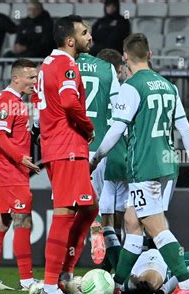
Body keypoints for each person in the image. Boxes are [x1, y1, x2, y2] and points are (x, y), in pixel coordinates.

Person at [90, 33, 189, 294]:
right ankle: (119, 284)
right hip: (168, 165)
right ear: (150, 55)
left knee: (156, 228)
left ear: (125, 57)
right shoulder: (169, 86)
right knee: (133, 222)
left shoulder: (131, 87)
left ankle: (187, 283)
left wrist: (95, 158)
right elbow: (185, 129)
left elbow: (116, 130)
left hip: (144, 166)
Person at [33, 15, 98, 294]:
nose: (90, 37)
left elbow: (40, 109)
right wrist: (88, 127)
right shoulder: (67, 64)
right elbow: (71, 102)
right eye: (85, 33)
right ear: (71, 41)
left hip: (58, 146)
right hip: (67, 147)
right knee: (65, 214)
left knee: (89, 208)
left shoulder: (47, 65)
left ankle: (63, 275)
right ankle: (51, 284)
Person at [0, 59, 41, 292]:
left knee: (1, 222)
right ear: (16, 78)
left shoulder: (17, 101)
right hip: (10, 173)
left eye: (36, 78)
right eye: (30, 78)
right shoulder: (7, 100)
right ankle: (27, 280)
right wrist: (20, 158)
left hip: (10, 172)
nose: (34, 82)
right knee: (23, 221)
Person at [75, 48, 123, 269]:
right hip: (104, 148)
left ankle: (60, 276)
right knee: (111, 214)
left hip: (73, 147)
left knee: (68, 210)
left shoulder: (66, 66)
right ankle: (116, 273)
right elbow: (118, 116)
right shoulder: (108, 74)